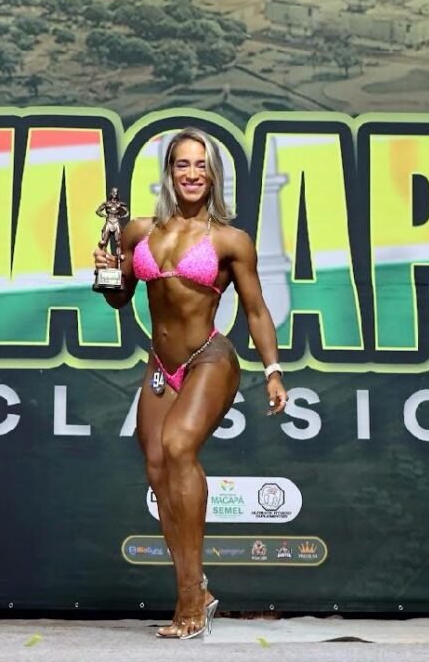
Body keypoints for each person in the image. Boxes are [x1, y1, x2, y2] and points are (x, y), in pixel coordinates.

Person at [94, 128, 287, 639]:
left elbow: (256, 310)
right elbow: (119, 298)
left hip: (210, 358)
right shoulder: (138, 232)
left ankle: (188, 605)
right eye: (183, 164)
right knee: (158, 468)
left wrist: (272, 370)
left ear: (213, 175)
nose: (192, 173)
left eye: (201, 165)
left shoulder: (230, 240)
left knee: (179, 445)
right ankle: (197, 588)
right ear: (170, 173)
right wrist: (108, 274)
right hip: (161, 364)